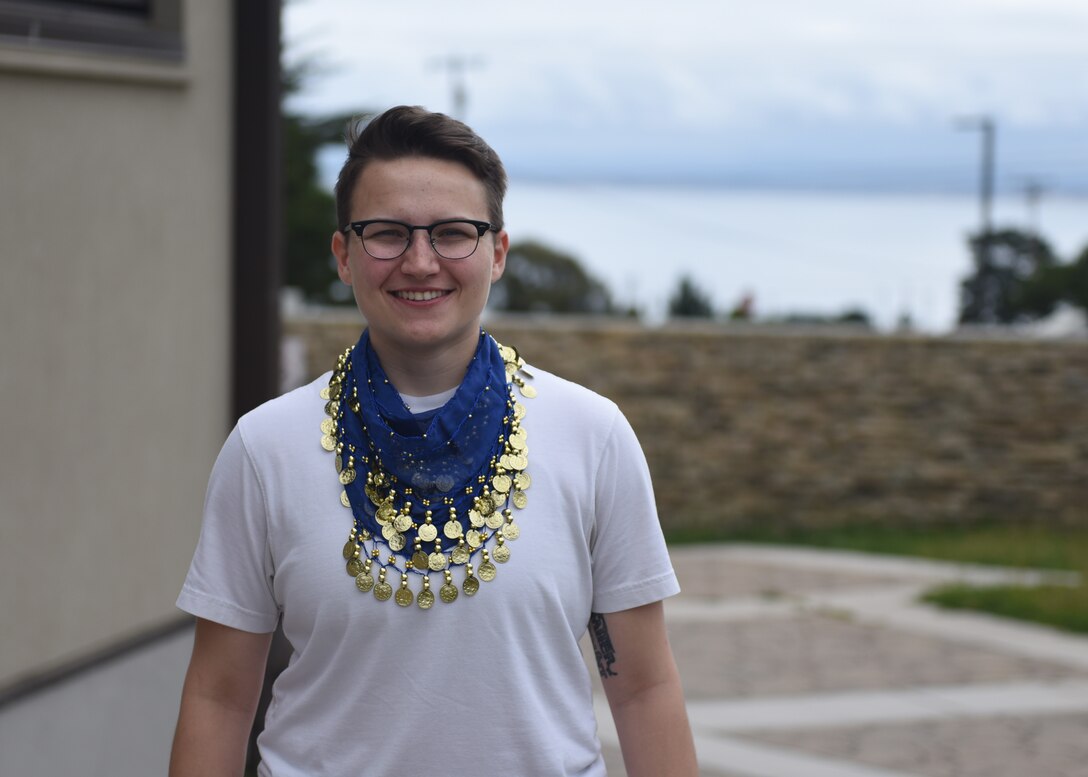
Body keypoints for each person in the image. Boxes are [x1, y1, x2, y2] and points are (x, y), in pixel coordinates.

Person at [170, 105, 697, 777]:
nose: (420, 263)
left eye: (453, 233)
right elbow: (218, 697)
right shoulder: (263, 448)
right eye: (387, 234)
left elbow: (644, 687)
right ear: (344, 255)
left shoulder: (593, 437)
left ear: (496, 253)